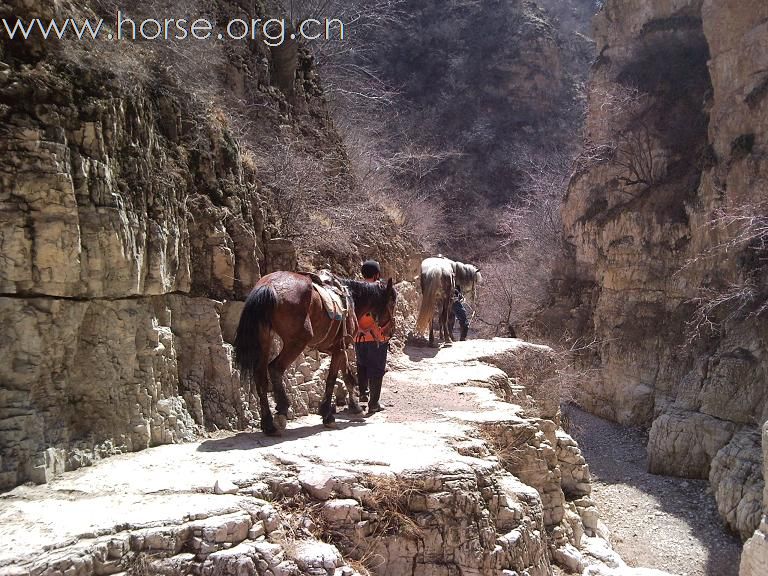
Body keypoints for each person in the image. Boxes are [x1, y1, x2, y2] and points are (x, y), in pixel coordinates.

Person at [355, 260, 390, 415]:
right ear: (377, 274)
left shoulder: (355, 289)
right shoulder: (380, 289)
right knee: (376, 369)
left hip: (358, 336)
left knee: (362, 365)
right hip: (377, 336)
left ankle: (363, 394)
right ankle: (374, 403)